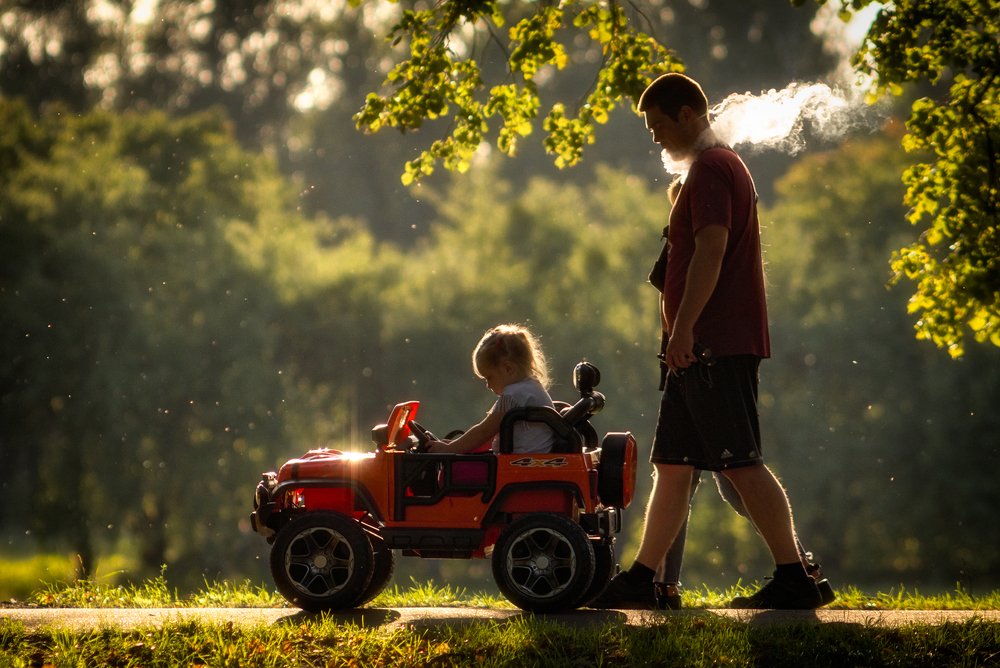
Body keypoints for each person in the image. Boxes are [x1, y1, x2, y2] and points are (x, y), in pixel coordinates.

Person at [591, 73, 826, 610]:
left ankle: (794, 577)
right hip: (695, 348)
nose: (655, 137)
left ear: (686, 114)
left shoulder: (713, 169)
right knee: (674, 466)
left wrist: (684, 329)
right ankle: (644, 579)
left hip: (711, 345)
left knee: (740, 461)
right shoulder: (712, 168)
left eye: (658, 125)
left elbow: (711, 251)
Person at [650, 180, 835, 610]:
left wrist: (677, 345)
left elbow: (673, 306)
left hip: (701, 364)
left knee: (722, 474)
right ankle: (801, 571)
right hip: (689, 364)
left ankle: (663, 585)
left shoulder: (705, 244)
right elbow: (669, 300)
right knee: (692, 476)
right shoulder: (684, 242)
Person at [426, 324, 555, 455]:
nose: (488, 385)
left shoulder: (514, 394)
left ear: (508, 368)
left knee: (458, 467)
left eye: (489, 377)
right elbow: (489, 436)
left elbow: (484, 431)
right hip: (532, 460)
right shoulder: (531, 388)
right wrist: (456, 445)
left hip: (517, 463)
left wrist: (449, 449)